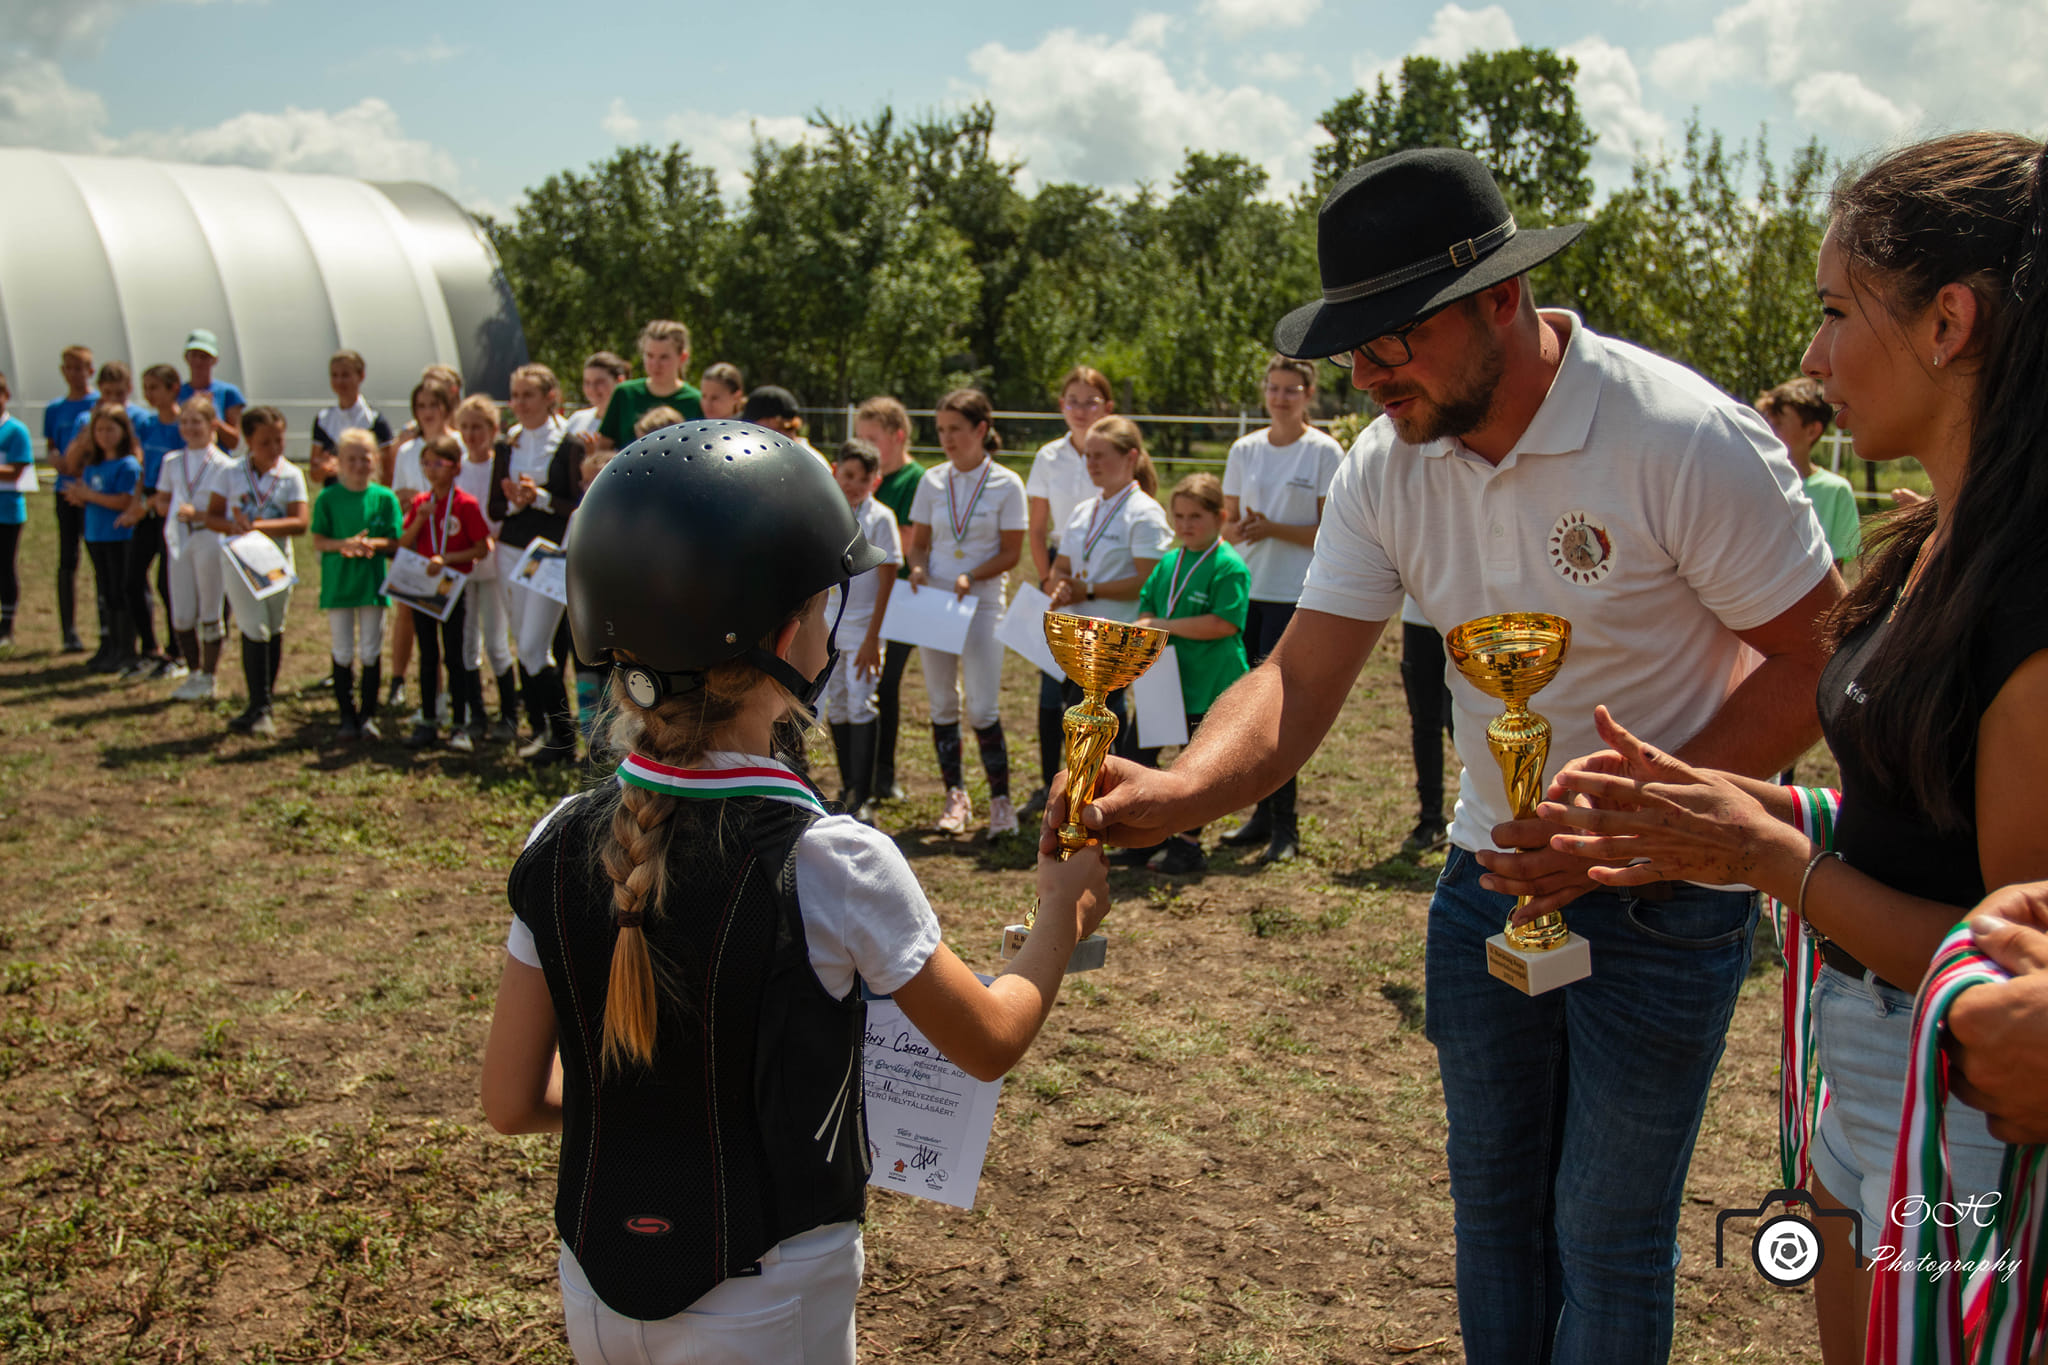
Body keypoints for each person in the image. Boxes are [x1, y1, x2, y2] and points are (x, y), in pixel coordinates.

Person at [1051, 147, 1842, 1363]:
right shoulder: (1386, 465)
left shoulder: (1679, 436)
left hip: (1665, 899)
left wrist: (1634, 821)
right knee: (1491, 1219)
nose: (1367, 374)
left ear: (1499, 299)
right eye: (1350, 348)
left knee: (1606, 1232)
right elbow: (1298, 677)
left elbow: (1815, 656)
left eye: (1393, 339)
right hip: (1483, 887)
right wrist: (1182, 790)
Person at [1535, 133, 2048, 1364]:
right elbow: (1913, 812)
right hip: (1863, 1069)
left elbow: (2007, 977)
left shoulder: (2026, 585)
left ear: (1948, 322)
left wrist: (1775, 861)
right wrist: (1709, 807)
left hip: (1963, 1110)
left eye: (1831, 311)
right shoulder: (1931, 535)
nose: (1811, 358)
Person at [480, 419, 1109, 1364]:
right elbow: (988, 1041)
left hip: (593, 1281)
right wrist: (1060, 913)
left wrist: (663, 1108)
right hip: (772, 1295)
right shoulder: (833, 859)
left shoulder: (555, 836)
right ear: (783, 636)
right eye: (823, 606)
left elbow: (507, 1099)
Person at [1218, 355, 1346, 865]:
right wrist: (1244, 529)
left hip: (1296, 595)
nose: (1280, 398)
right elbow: (1225, 525)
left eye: (1291, 389)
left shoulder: (1323, 451)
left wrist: (1272, 528)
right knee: (1248, 707)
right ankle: (1261, 815)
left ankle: (1287, 827)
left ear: (1309, 395)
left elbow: (1330, 532)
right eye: (1273, 388)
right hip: (1247, 592)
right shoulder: (1244, 449)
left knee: (1283, 710)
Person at [1046, 415, 1172, 864]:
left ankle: (1121, 823)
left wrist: (1091, 591)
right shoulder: (1085, 510)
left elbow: (1149, 581)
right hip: (1084, 647)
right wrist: (1060, 585)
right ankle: (1084, 816)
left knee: (1123, 741)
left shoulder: (1145, 512)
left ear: (1131, 458)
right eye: (1088, 455)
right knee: (1083, 734)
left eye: (1101, 455)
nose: (1091, 463)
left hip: (1124, 649)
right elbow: (1062, 564)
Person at [904, 389, 1026, 837]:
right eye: (940, 430)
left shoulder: (1007, 483)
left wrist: (972, 575)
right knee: (941, 703)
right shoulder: (932, 480)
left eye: (955, 429)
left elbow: (1012, 552)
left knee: (982, 706)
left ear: (980, 429)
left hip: (982, 602)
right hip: (936, 603)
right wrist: (917, 568)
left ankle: (1001, 802)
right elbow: (919, 545)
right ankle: (955, 795)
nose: (946, 438)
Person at [1132, 473, 1250, 876]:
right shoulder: (1169, 561)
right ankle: (1136, 837)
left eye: (1195, 516)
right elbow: (1146, 608)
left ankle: (1188, 846)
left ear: (1220, 516)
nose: (1185, 524)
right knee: (1137, 757)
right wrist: (1149, 623)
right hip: (1164, 680)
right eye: (1179, 515)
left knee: (1195, 768)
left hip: (1211, 683)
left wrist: (1163, 625)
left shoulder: (1229, 565)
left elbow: (1224, 624)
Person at [1022, 366, 1116, 818]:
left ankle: (1100, 785)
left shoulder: (1115, 451)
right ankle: (1048, 784)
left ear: (1107, 406)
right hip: (1059, 573)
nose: (1081, 410)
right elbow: (1037, 530)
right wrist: (1047, 583)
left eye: (1090, 401)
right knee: (1050, 689)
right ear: (1061, 406)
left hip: (1106, 569)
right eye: (1072, 401)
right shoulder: (1048, 457)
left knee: (1100, 690)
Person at [489, 364, 587, 766]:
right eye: (515, 395)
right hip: (510, 551)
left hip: (549, 556)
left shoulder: (569, 443)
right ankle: (552, 734)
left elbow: (578, 506)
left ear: (551, 396)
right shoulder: (507, 444)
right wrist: (515, 498)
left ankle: (563, 737)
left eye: (528, 394)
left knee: (533, 646)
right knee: (525, 649)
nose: (520, 403)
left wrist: (541, 498)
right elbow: (496, 508)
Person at [204, 406, 310, 738]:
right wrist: (235, 526)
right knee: (253, 627)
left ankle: (265, 699)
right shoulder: (231, 473)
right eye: (265, 442)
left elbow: (300, 522)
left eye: (279, 439)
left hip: (276, 562)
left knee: (274, 626)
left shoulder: (290, 475)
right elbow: (212, 517)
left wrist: (259, 525)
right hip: (240, 560)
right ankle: (258, 706)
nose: (274, 448)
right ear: (248, 440)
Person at [821, 437, 902, 821]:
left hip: (865, 627)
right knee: (835, 702)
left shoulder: (881, 518)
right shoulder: (826, 512)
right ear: (836, 472)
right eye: (847, 475)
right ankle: (848, 784)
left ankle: (864, 794)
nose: (852, 484)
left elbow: (887, 582)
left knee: (861, 701)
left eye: (862, 478)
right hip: (830, 627)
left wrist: (873, 638)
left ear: (875, 481)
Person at [397, 434, 492, 751]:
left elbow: (482, 547)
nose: (431, 470)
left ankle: (460, 724)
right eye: (426, 463)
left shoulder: (465, 504)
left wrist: (448, 559)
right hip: (423, 589)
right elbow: (403, 543)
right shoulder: (422, 504)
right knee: (427, 656)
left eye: (438, 463)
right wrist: (419, 519)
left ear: (455, 467)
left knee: (454, 657)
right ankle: (428, 719)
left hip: (453, 588)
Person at [854, 396, 924, 804]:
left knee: (888, 683)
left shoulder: (914, 479)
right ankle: (862, 773)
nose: (864, 446)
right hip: (863, 598)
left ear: (897, 437)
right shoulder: (861, 479)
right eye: (859, 437)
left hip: (895, 598)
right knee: (867, 682)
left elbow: (907, 541)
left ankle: (884, 773)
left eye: (872, 438)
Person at [311, 430, 403, 742]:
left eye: (365, 457)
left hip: (372, 585)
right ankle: (346, 716)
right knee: (342, 650)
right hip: (339, 585)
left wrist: (370, 544)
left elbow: (394, 540)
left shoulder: (384, 497)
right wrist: (344, 544)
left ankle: (368, 716)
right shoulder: (328, 497)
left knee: (371, 650)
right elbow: (319, 541)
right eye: (351, 458)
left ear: (375, 460)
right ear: (338, 462)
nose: (359, 464)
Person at [388, 376, 461, 718]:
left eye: (434, 405)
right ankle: (432, 698)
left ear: (447, 408)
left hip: (449, 551)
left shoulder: (457, 444)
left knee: (453, 631)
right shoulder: (406, 451)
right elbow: (398, 495)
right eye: (421, 407)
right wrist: (409, 502)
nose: (427, 412)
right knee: (416, 621)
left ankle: (458, 701)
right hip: (417, 545)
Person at [453, 394, 520, 742]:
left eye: (478, 427)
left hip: (495, 564)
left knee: (496, 640)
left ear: (493, 429)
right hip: (463, 565)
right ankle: (474, 712)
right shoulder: (457, 469)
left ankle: (509, 714)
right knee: (467, 641)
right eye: (464, 427)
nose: (471, 434)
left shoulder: (502, 466)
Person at [156, 396, 231, 700]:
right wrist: (167, 507)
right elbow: (162, 497)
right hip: (180, 539)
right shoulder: (172, 460)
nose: (190, 428)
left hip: (209, 537)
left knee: (210, 609)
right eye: (185, 422)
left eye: (196, 422)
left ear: (212, 425)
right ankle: (194, 671)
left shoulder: (224, 465)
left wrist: (199, 515)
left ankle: (209, 677)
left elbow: (228, 510)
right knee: (182, 613)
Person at [62, 403, 144, 674]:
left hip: (119, 537)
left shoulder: (128, 465)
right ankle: (111, 647)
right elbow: (89, 495)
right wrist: (79, 496)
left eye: (111, 429)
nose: (105, 435)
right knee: (106, 592)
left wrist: (90, 496)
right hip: (96, 535)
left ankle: (127, 650)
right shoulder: (94, 465)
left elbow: (124, 500)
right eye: (99, 429)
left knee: (121, 591)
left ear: (123, 431)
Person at [120, 363, 185, 679]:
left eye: (155, 387)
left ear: (174, 388)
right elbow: (145, 468)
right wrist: (137, 503)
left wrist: (155, 504)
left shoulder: (182, 426)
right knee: (132, 578)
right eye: (145, 387)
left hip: (171, 504)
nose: (149, 394)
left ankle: (178, 651)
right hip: (148, 502)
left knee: (166, 582)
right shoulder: (145, 424)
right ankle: (149, 648)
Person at [1757, 377, 1861, 569]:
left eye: (1778, 424)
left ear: (1812, 431)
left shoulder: (1836, 491)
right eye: (1766, 422)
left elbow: (1836, 568)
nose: (1766, 430)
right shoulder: (1752, 483)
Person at [44, 344, 97, 651]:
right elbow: (53, 444)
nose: (76, 374)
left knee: (99, 558)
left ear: (91, 370)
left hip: (93, 492)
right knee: (67, 559)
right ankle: (69, 631)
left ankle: (106, 628)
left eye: (82, 368)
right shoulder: (55, 409)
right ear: (63, 371)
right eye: (70, 367)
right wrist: (55, 458)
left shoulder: (98, 405)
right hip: (65, 490)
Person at [1398, 599, 1456, 854]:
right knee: (1423, 722)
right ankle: (1430, 819)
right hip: (1418, 619)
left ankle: (1487, 814)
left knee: (1461, 723)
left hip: (1468, 619)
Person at [594, 320, 702, 452]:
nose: (655, 364)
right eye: (649, 356)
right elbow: (604, 446)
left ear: (682, 358)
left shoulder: (696, 400)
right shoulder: (625, 393)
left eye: (664, 357)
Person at [310, 350, 394, 491]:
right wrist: (324, 469)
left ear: (361, 376)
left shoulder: (375, 421)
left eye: (345, 375)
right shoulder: (323, 421)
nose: (339, 381)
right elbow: (314, 474)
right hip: (334, 499)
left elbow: (388, 474)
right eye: (334, 375)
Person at [0, 370, 31, 650]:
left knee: (5, 567)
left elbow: (17, 471)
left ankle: (6, 627)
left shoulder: (15, 431)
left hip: (7, 511)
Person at [177, 328, 244, 451]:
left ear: (214, 360)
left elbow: (234, 441)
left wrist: (208, 414)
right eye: (194, 355)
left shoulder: (228, 393)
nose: (198, 361)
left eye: (204, 357)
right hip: (185, 462)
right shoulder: (177, 392)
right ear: (186, 358)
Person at [740, 386, 826, 462]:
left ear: (772, 422)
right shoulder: (811, 458)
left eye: (751, 424)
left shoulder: (810, 462)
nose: (748, 431)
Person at [565, 351, 629, 443]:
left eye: (599, 382)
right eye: (587, 382)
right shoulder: (577, 419)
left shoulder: (630, 422)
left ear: (620, 381)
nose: (592, 389)